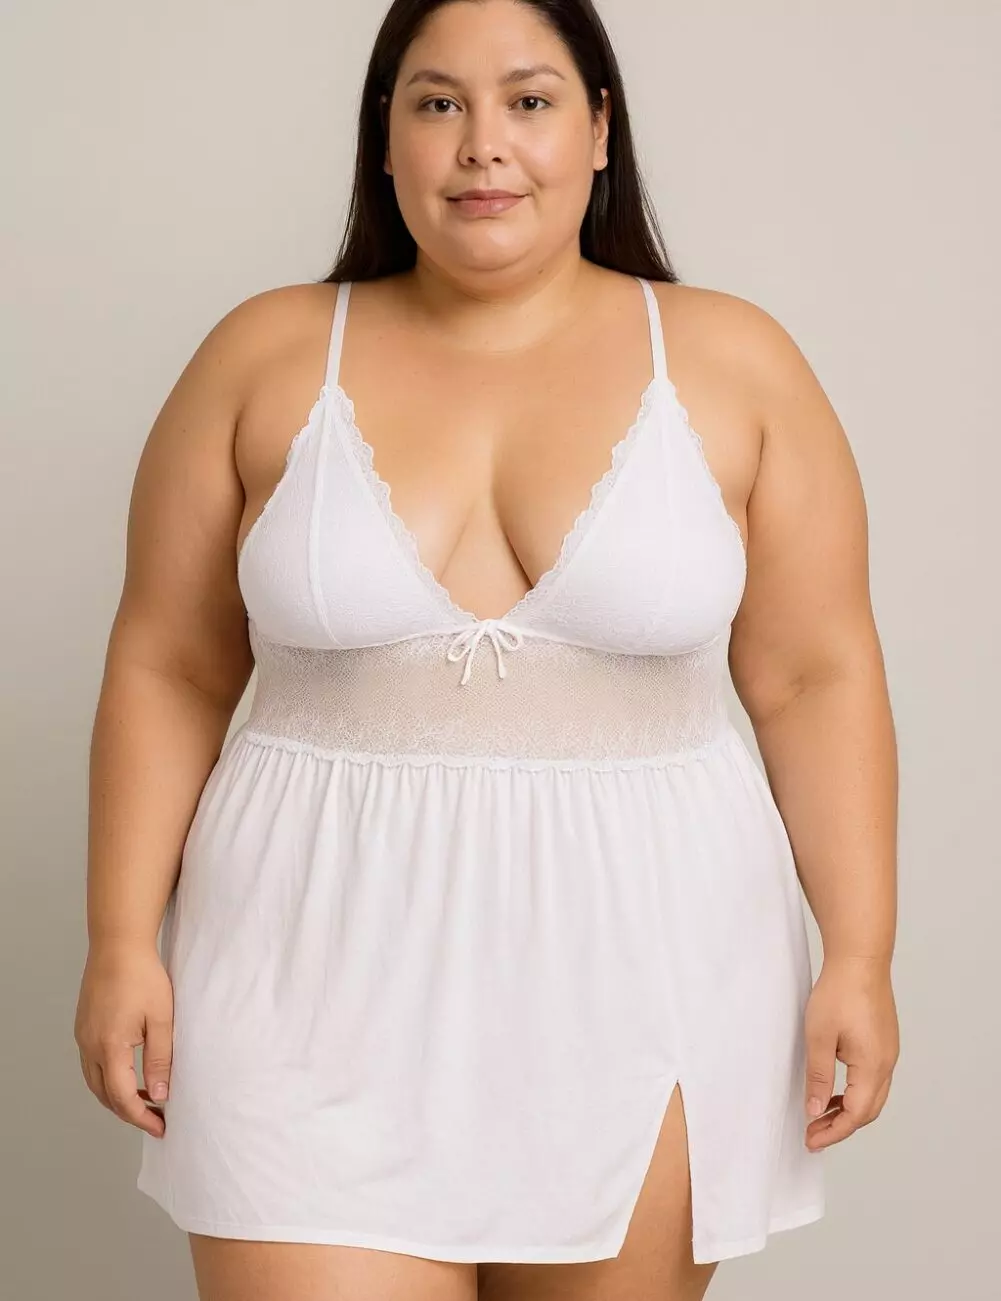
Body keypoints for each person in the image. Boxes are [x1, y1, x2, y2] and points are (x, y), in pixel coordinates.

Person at [74, 1, 900, 1298]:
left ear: (600, 130)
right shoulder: (264, 355)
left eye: (528, 100)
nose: (482, 145)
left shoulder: (735, 360)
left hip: (658, 968)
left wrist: (860, 952)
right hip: (303, 975)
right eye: (437, 103)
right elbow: (171, 664)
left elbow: (813, 676)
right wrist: (121, 937)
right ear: (386, 138)